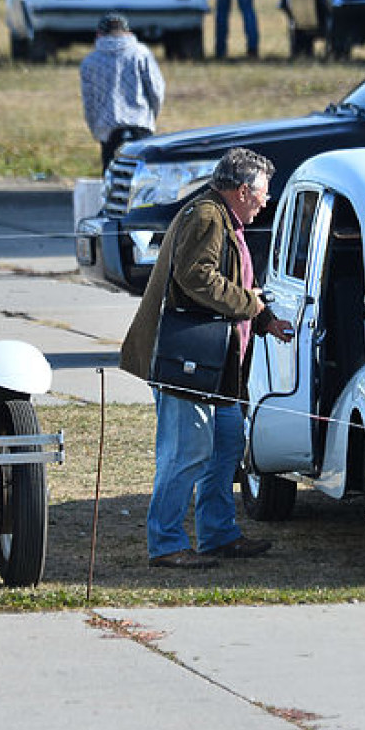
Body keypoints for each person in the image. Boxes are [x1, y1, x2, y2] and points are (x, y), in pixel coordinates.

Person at [120, 148, 294, 569]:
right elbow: (196, 276)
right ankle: (166, 544)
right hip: (190, 362)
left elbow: (234, 284)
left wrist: (265, 318)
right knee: (186, 452)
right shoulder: (206, 216)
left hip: (216, 365)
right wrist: (251, 307)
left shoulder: (221, 216)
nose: (265, 201)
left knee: (225, 444)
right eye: (262, 194)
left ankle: (218, 534)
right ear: (241, 190)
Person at [79, 13, 165, 173]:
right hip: (140, 124)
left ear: (99, 34)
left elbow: (89, 102)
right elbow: (156, 90)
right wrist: (152, 116)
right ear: (128, 32)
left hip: (108, 129)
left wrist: (96, 130)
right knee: (142, 178)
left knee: (112, 178)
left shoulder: (90, 61)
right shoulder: (141, 53)